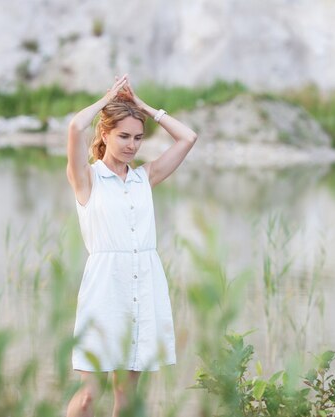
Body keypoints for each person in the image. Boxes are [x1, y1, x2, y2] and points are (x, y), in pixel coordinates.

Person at [65, 74, 198, 417]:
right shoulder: (88, 178)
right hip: (104, 293)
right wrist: (107, 98)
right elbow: (75, 127)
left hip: (141, 290)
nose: (132, 145)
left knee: (127, 399)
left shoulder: (144, 178)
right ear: (105, 133)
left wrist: (143, 107)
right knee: (87, 398)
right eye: (123, 136)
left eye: (138, 138)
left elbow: (188, 137)